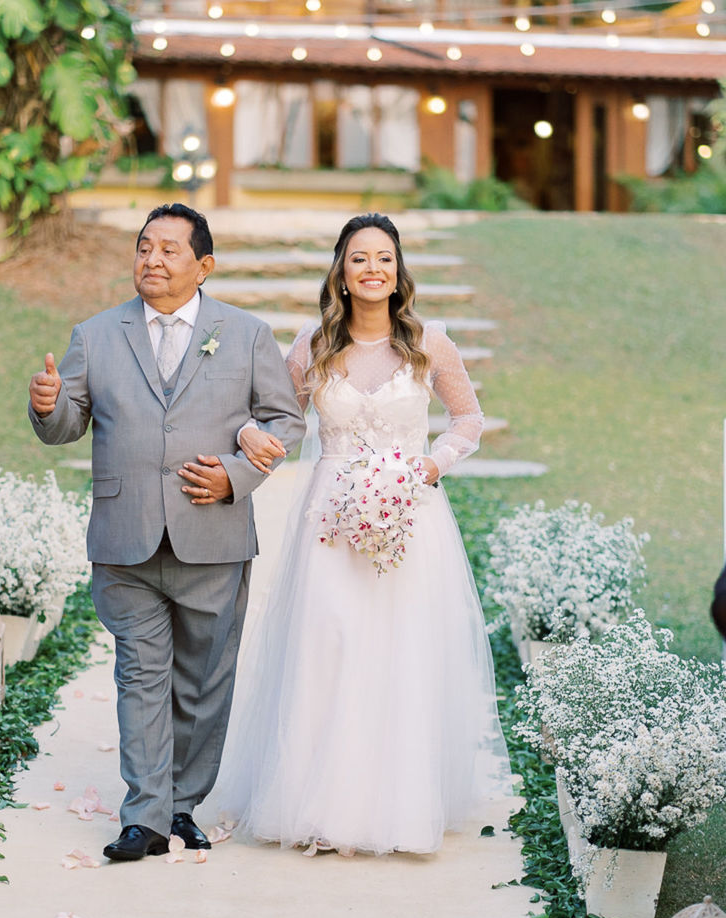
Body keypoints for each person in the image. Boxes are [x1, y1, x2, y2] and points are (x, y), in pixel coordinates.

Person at [215, 213, 511, 856]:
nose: (372, 268)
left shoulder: (431, 342)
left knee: (400, 648)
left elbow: (467, 418)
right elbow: (267, 413)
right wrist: (247, 436)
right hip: (328, 517)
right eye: (359, 258)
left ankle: (397, 808)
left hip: (410, 513)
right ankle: (318, 804)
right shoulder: (312, 344)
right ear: (342, 273)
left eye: (384, 258)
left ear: (398, 271)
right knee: (330, 642)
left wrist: (431, 465)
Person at [28, 203, 306, 862]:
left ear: (204, 265)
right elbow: (68, 423)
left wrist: (236, 477)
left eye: (169, 250)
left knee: (204, 681)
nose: (151, 260)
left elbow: (284, 421)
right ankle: (145, 816)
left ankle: (183, 802)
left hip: (213, 532)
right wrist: (48, 406)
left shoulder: (243, 334)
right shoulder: (95, 335)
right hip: (125, 538)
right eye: (143, 247)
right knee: (140, 675)